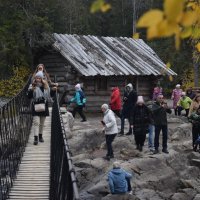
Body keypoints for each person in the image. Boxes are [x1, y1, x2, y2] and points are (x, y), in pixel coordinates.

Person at [27, 71, 56, 145]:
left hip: (44, 105)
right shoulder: (32, 85)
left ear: (42, 78)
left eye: (39, 78)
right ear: (35, 78)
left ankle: (40, 136)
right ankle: (35, 138)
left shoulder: (45, 86)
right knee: (36, 122)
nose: (38, 79)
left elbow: (50, 96)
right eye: (37, 78)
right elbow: (29, 96)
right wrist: (31, 90)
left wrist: (53, 90)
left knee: (42, 123)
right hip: (35, 105)